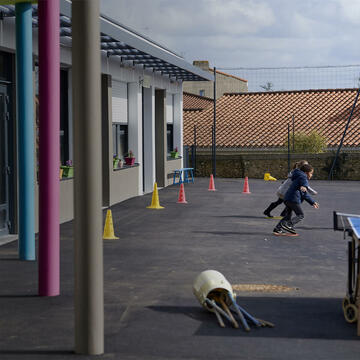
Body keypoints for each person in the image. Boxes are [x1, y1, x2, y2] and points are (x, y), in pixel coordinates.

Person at [273, 164, 319, 236]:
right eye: (311, 173)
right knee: (300, 215)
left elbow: (304, 194)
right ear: (306, 173)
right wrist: (305, 186)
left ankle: (277, 229)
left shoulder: (298, 176)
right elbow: (304, 184)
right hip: (293, 199)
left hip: (287, 198)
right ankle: (289, 225)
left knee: (288, 216)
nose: (311, 175)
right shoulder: (303, 177)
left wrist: (312, 202)